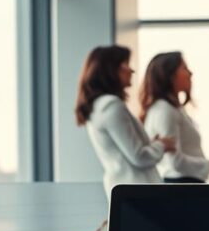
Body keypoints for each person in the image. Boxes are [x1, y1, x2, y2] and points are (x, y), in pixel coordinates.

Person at [74, 45, 175, 196]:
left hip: (128, 191)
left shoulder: (98, 106)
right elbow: (138, 157)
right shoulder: (111, 106)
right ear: (110, 70)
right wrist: (162, 145)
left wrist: (151, 144)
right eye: (126, 64)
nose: (131, 70)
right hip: (137, 192)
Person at [140, 51, 209, 183]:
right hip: (181, 186)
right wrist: (208, 166)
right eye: (184, 68)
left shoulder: (172, 109)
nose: (190, 73)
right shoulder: (164, 110)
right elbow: (175, 161)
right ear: (170, 75)